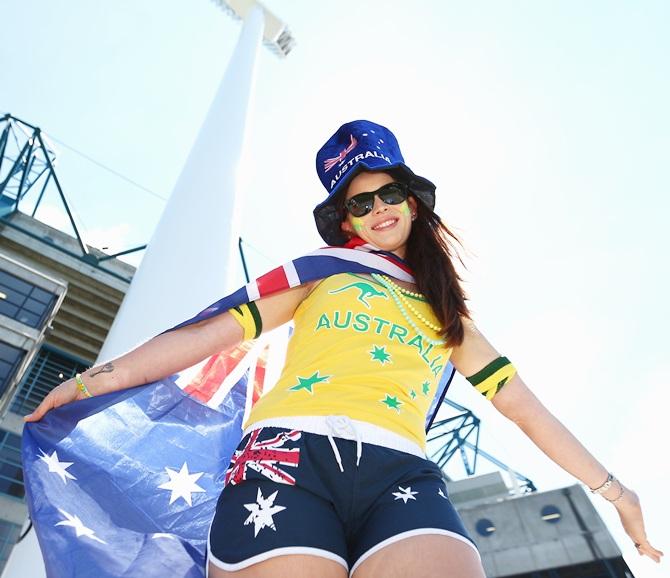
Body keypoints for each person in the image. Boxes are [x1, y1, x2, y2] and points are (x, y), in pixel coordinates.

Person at [26, 120, 663, 577]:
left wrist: (617, 492)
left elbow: (524, 408)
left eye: (390, 193)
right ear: (348, 220)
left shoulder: (450, 315)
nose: (379, 207)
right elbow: (202, 336)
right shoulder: (318, 273)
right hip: (288, 462)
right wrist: (91, 382)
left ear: (413, 203)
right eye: (361, 201)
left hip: (401, 475)